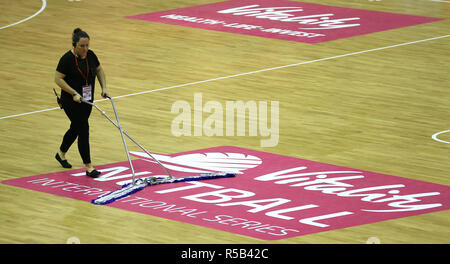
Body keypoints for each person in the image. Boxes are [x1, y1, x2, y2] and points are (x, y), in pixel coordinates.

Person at [54, 28, 109, 178]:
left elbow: (99, 70)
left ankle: (61, 154)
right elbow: (58, 79)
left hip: (86, 99)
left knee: (76, 128)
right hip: (71, 101)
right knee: (83, 128)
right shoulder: (67, 59)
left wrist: (104, 88)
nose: (85, 49)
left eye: (87, 46)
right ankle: (89, 166)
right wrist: (73, 93)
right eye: (82, 46)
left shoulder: (90, 55)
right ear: (74, 45)